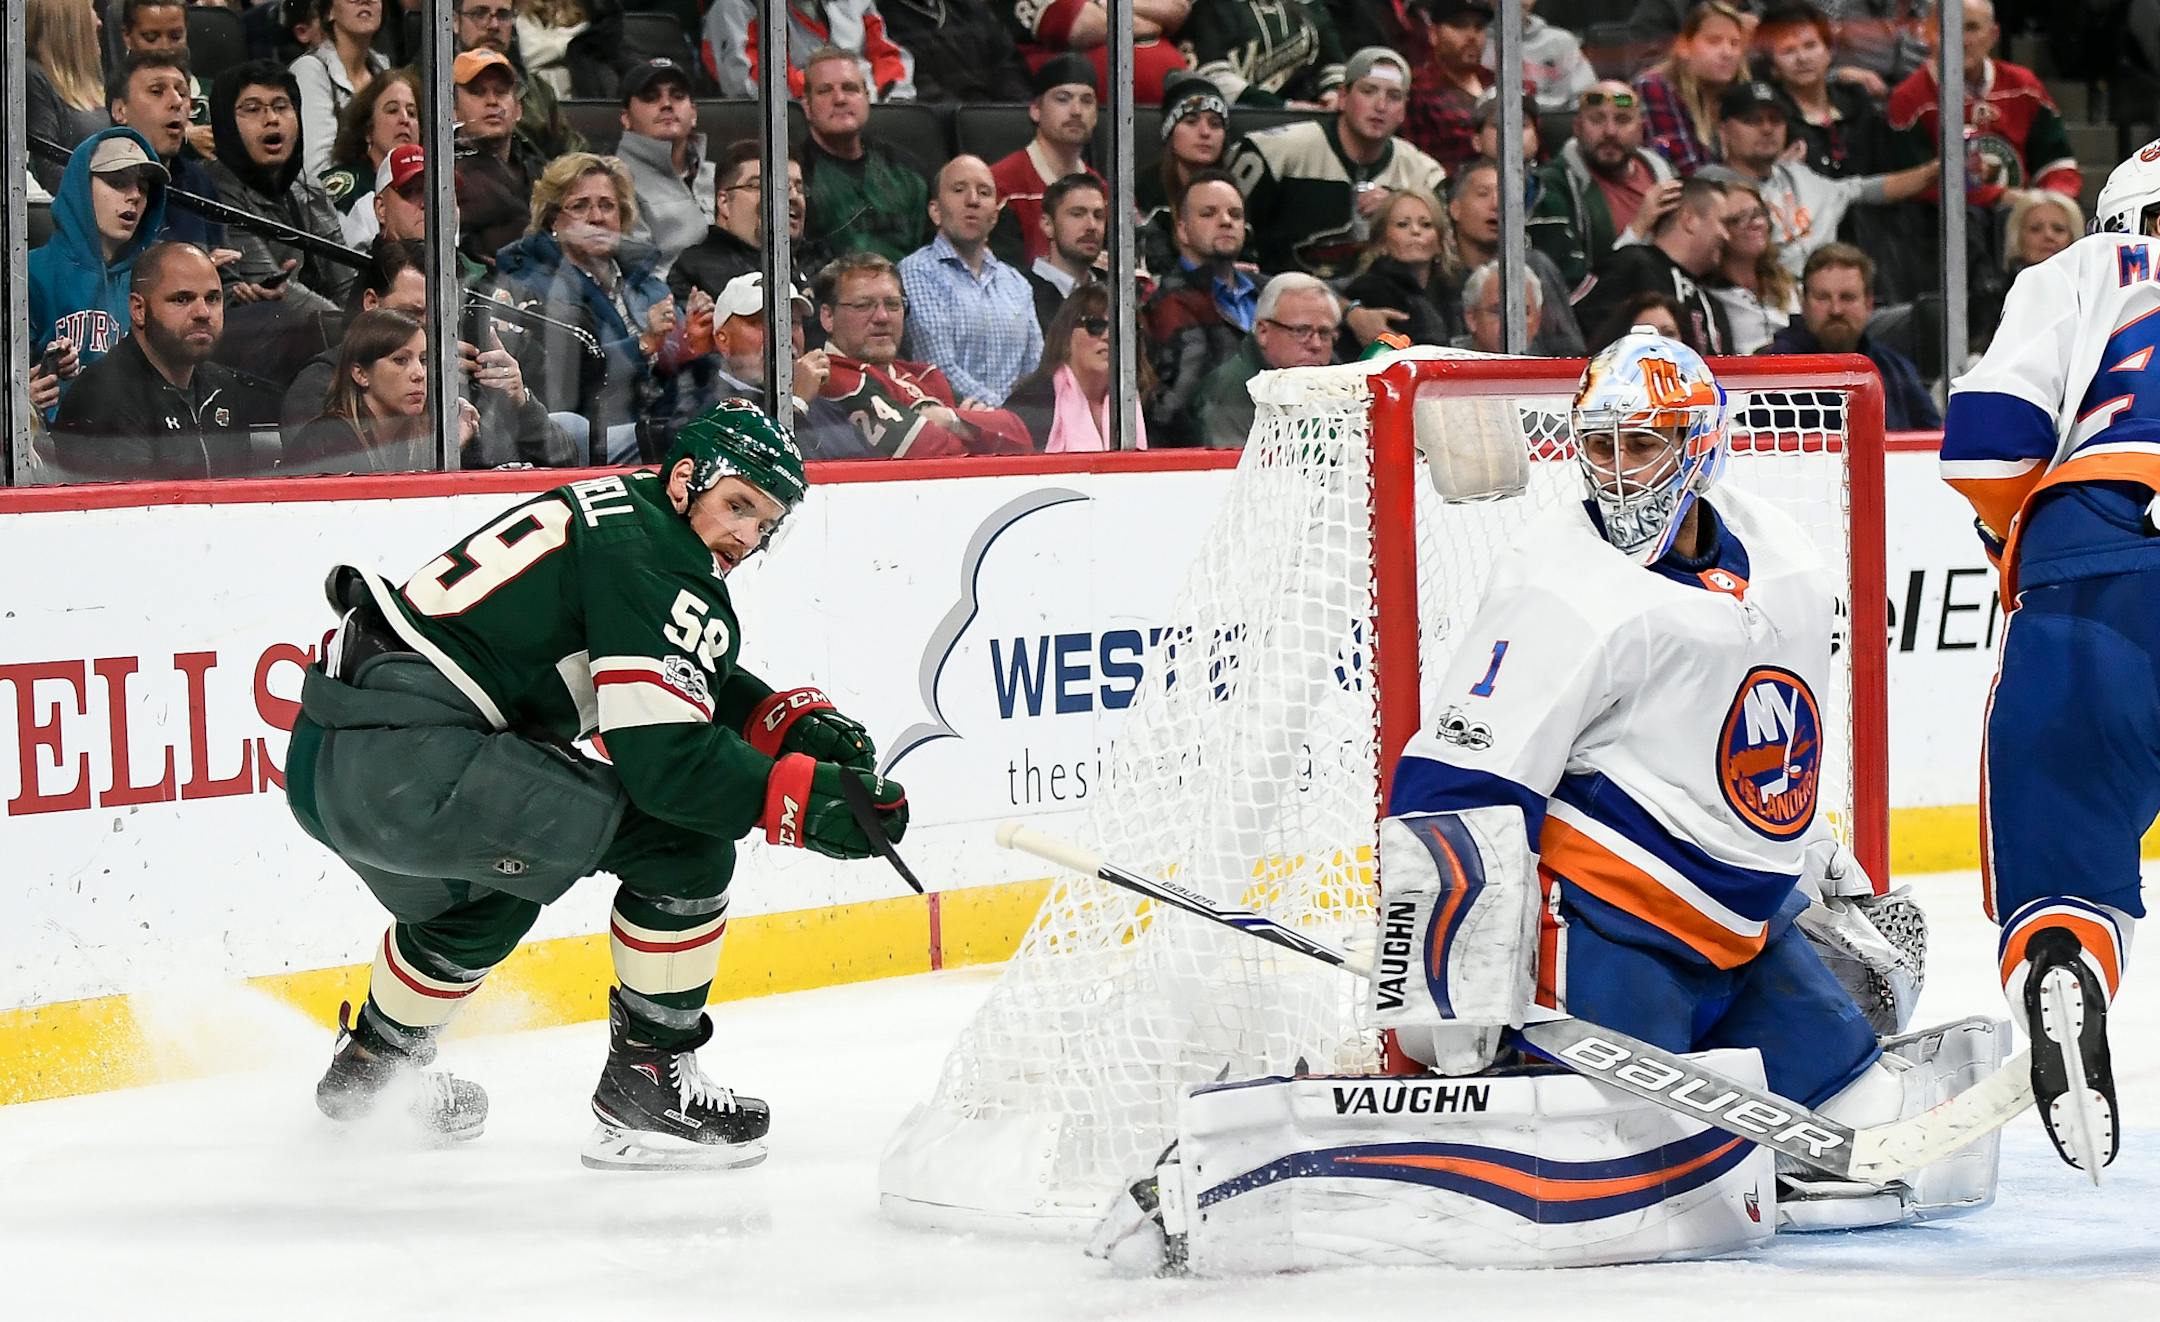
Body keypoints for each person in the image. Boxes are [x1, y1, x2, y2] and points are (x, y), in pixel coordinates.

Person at [1364, 327, 1995, 1238]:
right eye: (1599, 446)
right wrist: (1445, 1002)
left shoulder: (1781, 554)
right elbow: (1456, 786)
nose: (1617, 473)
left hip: (1747, 933)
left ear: (1699, 442)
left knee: (1869, 1107)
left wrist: (1815, 857)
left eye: (1642, 444)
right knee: (1633, 1172)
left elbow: (1768, 731)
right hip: (1613, 933)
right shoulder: (1556, 587)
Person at [287, 397, 910, 1167]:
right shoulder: (658, 555)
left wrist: (778, 720)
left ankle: (372, 1071)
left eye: (766, 522)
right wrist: (812, 804)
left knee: (495, 889)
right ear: (687, 479)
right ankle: (649, 1085)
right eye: (738, 504)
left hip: (329, 763)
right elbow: (669, 772)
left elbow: (653, 666)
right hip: (419, 763)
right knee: (683, 845)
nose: (746, 536)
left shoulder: (623, 519)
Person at [1936, 141, 2160, 1179]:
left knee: (2065, 853)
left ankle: (2065, 955)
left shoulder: (2076, 273)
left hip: (2093, 547)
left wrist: (2017, 541)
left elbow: (1985, 440)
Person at [282, 239, 572, 468]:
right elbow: (319, 476)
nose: (425, 328)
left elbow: (566, 464)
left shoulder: (460, 374)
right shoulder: (321, 379)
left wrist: (521, 403)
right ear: (371, 302)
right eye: (411, 313)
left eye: (441, 316)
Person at [492, 152, 693, 464]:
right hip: (588, 433)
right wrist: (642, 345)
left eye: (607, 205)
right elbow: (565, 376)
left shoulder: (648, 284)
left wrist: (695, 341)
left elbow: (681, 361)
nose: (597, 217)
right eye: (580, 206)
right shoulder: (533, 287)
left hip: (658, 421)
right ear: (553, 220)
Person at [50, 241, 280, 480]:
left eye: (213, 299)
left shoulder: (224, 388)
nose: (203, 312)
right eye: (182, 299)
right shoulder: (103, 398)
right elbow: (131, 513)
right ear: (139, 309)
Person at [1230, 47, 1447, 293]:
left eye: (1394, 96)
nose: (1381, 105)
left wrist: (1398, 208)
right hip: (1282, 298)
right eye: (1368, 91)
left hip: (1385, 302)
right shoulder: (1273, 152)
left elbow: (1445, 259)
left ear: (1404, 109)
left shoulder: (1423, 173)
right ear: (1343, 96)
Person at [803, 251, 1032, 458]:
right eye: (864, 305)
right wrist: (976, 428)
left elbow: (1018, 436)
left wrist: (947, 419)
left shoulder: (925, 375)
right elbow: (924, 451)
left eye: (893, 305)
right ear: (828, 317)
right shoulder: (832, 376)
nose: (882, 317)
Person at [1711, 80, 1939, 277]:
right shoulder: (1711, 189)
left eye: (1776, 120)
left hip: (1824, 305)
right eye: (1752, 121)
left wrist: (1938, 169)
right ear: (1723, 130)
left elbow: (1864, 189)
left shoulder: (1800, 176)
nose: (1767, 129)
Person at [30, 130, 171, 419]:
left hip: (137, 443)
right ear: (81, 186)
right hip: (55, 451)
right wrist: (21, 400)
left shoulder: (153, 277)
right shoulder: (31, 272)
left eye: (143, 187)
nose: (134, 196)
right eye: (117, 182)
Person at [1887, 0, 2080, 209]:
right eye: (1949, 27)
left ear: (1993, 35)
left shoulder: (2025, 88)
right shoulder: (1909, 98)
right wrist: (1998, 197)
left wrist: (2052, 201)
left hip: (2022, 223)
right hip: (1938, 229)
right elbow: (1915, 186)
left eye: (1971, 28)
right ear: (1930, 34)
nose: (1961, 40)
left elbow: (2056, 162)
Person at [204, 61, 358, 318]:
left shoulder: (309, 191)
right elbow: (276, 287)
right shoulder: (215, 189)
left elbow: (348, 283)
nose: (272, 119)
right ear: (226, 123)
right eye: (252, 109)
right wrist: (354, 331)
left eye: (281, 107)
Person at [898, 155, 1045, 408]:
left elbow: (1035, 370)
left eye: (984, 192)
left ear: (995, 216)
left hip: (1018, 432)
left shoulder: (1018, 284)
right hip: (954, 425)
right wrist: (1005, 415)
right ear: (935, 211)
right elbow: (937, 368)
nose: (973, 200)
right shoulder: (916, 271)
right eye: (959, 190)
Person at [1763, 243, 1938, 429]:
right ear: (1803, 302)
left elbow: (1933, 440)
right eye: (1822, 297)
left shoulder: (1896, 369)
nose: (1836, 310)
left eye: (1847, 297)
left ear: (1869, 304)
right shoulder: (1772, 374)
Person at [1530, 82, 1682, 294]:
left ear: (1641, 130)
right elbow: (1573, 290)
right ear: (1577, 127)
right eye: (1597, 120)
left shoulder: (1669, 178)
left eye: (1622, 120)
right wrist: (1639, 227)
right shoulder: (1552, 186)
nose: (1610, 131)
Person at [1141, 170, 1259, 442]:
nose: (1226, 221)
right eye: (1209, 214)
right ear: (1182, 229)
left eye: (1235, 214)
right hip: (1207, 453)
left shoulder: (1269, 290)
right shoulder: (1167, 303)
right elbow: (1168, 407)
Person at [286, 308, 479, 473]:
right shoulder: (328, 441)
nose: (419, 374)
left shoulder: (419, 439)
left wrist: (453, 447)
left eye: (423, 360)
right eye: (400, 360)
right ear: (361, 374)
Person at [797, 48, 932, 265]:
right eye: (825, 91)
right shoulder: (794, 176)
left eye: (850, 89)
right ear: (807, 106)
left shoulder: (909, 172)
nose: (840, 99)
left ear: (867, 98)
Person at [1440, 157, 1585, 356]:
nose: (1496, 204)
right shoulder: (1438, 273)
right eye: (1483, 194)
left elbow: (1568, 349)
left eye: (1505, 195)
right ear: (1454, 209)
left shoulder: (1536, 268)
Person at [1574, 176, 1732, 357]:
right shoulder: (1632, 264)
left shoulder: (1713, 303)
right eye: (1723, 223)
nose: (1727, 236)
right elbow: (1581, 325)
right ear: (1690, 220)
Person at [1184, 272, 1339, 448]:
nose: (1316, 344)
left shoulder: (1342, 385)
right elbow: (1233, 471)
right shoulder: (1226, 395)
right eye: (1301, 331)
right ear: (1263, 332)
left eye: (1325, 333)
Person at [988, 55, 1105, 268]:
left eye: (1087, 101)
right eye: (1063, 99)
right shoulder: (999, 185)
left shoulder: (1105, 193)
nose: (1076, 111)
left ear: (1096, 115)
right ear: (1036, 110)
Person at [109, 50, 230, 253]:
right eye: (157, 91)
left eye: (182, 93)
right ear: (120, 110)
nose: (177, 102)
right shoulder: (99, 182)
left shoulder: (198, 181)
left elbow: (225, 267)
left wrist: (242, 286)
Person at [1758, 2, 1894, 179]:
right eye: (1788, 51)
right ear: (1773, 67)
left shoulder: (1856, 100)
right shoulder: (1771, 117)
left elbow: (1885, 171)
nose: (1802, 58)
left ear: (1829, 51)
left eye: (1810, 45)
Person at [1004, 285, 1149, 451]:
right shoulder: (1030, 405)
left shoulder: (1153, 408)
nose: (1109, 336)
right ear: (1066, 335)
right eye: (1095, 325)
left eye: (1122, 329)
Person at [672, 141, 810, 309]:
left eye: (798, 187)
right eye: (764, 185)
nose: (792, 196)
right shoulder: (696, 273)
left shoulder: (816, 264)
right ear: (724, 202)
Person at [454, 47, 554, 274]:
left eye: (501, 92)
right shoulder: (442, 174)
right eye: (478, 92)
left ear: (518, 108)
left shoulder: (539, 167)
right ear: (453, 109)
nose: (492, 101)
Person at [703, 271, 838, 434]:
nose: (783, 336)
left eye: (793, 322)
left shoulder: (827, 410)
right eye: (762, 323)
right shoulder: (704, 409)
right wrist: (795, 404)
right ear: (723, 340)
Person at [615, 57, 715, 275]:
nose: (667, 104)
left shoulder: (721, 175)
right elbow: (638, 276)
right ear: (626, 118)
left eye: (678, 96)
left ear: (694, 113)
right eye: (651, 97)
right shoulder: (614, 183)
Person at [705, 0, 919, 101]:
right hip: (782, 131)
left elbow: (891, 61)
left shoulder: (856, 3)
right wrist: (836, 91)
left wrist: (860, 94)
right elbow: (753, 82)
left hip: (865, 113)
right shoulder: (735, 6)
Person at [456, 0, 584, 158]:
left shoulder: (538, 90)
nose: (494, 25)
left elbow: (574, 154)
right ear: (455, 21)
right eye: (479, 14)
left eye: (503, 15)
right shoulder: (427, 85)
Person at [1635, 1, 1750, 176]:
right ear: (1685, 46)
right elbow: (1690, 175)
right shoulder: (1653, 88)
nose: (1727, 52)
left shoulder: (1739, 92)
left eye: (1734, 43)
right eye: (1714, 41)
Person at [1340, 188, 1458, 351]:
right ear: (1382, 242)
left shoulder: (1453, 290)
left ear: (1440, 241)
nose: (1415, 231)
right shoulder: (1367, 291)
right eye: (1402, 224)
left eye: (1426, 224)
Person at [1139, 75, 1232, 278]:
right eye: (1191, 121)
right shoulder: (1142, 190)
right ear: (1169, 131)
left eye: (1215, 124)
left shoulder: (1232, 192)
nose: (1205, 132)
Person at [317, 68, 419, 248]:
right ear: (368, 130)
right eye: (392, 110)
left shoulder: (435, 187)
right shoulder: (348, 189)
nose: (405, 119)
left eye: (412, 113)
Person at [1181, 0, 1348, 107]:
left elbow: (1333, 64)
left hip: (1306, 118)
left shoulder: (1310, 6)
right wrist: (1284, 107)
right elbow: (1216, 79)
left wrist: (1332, 93)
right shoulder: (1212, 7)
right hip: (1238, 117)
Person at [291, 0, 389, 181]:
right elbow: (318, 171)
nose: (365, 0)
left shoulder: (384, 71)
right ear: (329, 11)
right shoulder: (310, 70)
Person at [27, 0, 111, 194]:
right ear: (66, 21)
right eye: (90, 10)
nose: (99, 22)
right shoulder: (33, 76)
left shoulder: (95, 83)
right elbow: (47, 168)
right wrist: (105, 194)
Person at [876, 0, 1034, 103]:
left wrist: (1015, 110)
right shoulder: (882, 17)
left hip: (1000, 117)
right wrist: (971, 120)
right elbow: (921, 86)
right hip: (944, 127)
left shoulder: (971, 8)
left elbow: (1008, 62)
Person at [1706, 177, 1797, 354]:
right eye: (1739, 219)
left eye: (1757, 213)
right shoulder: (1709, 295)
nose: (1756, 223)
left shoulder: (1785, 281)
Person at [1403, 0, 1493, 174]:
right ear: (1433, 34)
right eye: (1459, 25)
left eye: (1479, 27)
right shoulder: (1417, 88)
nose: (1472, 36)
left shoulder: (1500, 81)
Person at [119, 0, 214, 164]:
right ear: (127, 36)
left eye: (175, 36)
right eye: (151, 37)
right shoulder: (110, 95)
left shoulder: (214, 93)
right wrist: (185, 139)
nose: (164, 47)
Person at [1026, 174, 1107, 336]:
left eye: (1098, 216)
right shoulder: (1020, 292)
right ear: (1047, 224)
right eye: (1077, 214)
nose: (1091, 226)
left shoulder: (1114, 291)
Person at [1482, 0, 1593, 112]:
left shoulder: (1562, 42)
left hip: (1554, 123)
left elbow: (1586, 97)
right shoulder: (1477, 42)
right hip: (1490, 124)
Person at [1455, 259, 1544, 354]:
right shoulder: (1445, 362)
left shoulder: (1549, 365)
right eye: (1498, 312)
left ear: (1537, 322)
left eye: (1522, 313)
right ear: (1472, 319)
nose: (1510, 325)